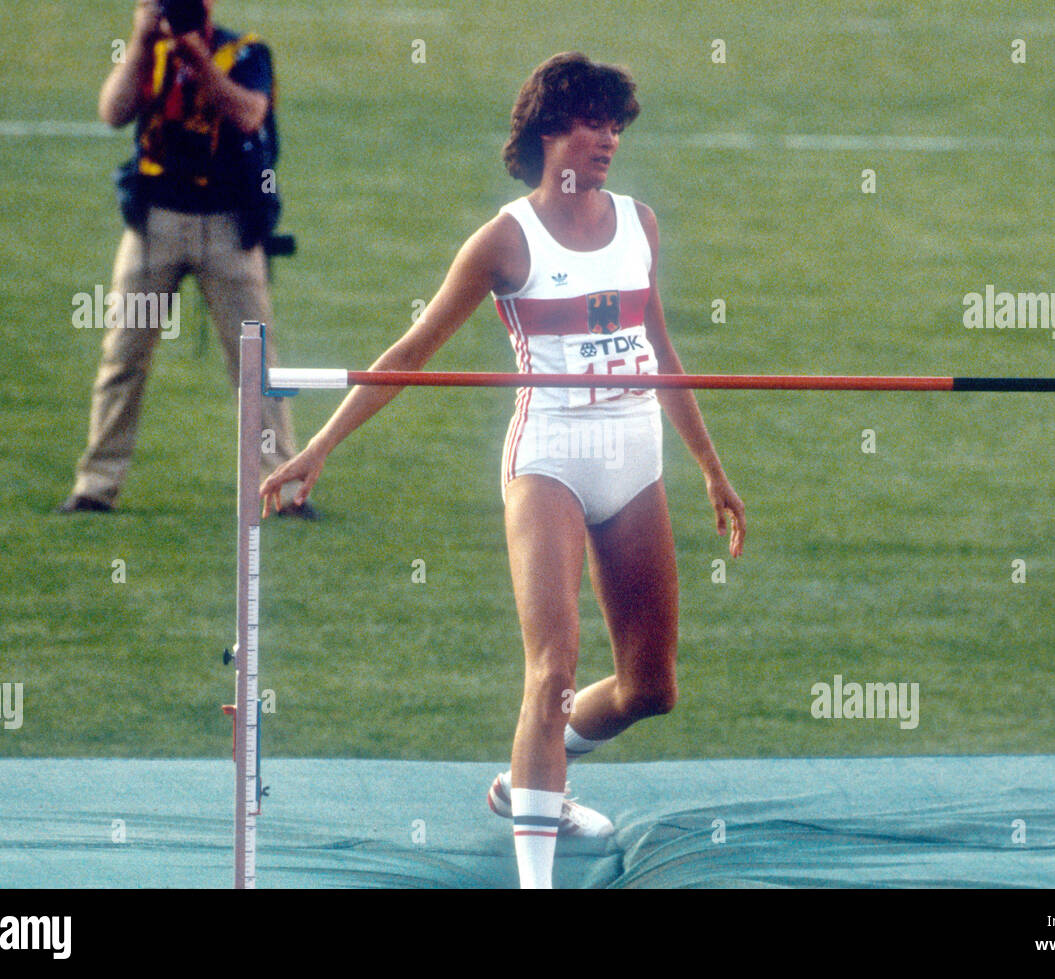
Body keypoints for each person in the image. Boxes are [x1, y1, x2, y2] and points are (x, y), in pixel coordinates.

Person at [260, 52, 746, 888]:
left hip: (635, 457)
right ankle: (536, 875)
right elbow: (410, 353)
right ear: (551, 130)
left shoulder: (641, 223)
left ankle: (522, 787)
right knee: (552, 668)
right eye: (596, 123)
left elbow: (660, 349)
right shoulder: (505, 241)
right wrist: (320, 445)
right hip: (549, 459)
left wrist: (710, 465)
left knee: (650, 688)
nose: (610, 140)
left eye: (618, 125)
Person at [59, 0, 312, 517]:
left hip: (229, 225)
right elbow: (113, 111)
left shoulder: (244, 53)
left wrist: (197, 59)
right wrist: (140, 41)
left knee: (255, 362)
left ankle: (281, 487)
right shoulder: (148, 54)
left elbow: (249, 114)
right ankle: (95, 485)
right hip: (156, 223)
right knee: (123, 357)